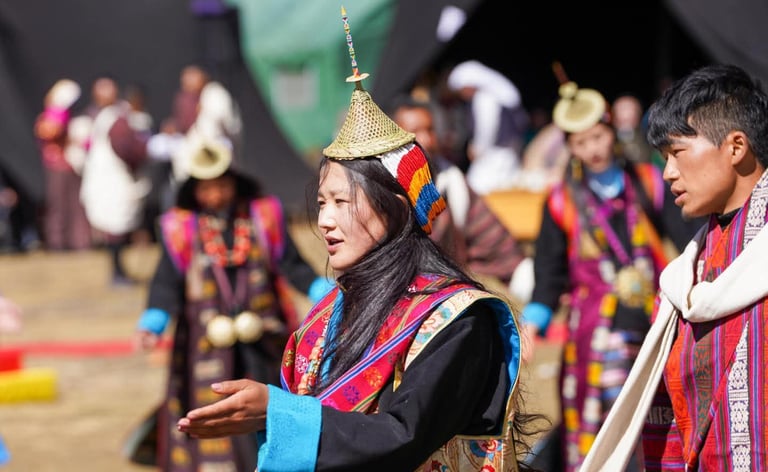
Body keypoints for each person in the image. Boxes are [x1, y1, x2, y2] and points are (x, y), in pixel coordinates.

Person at [175, 58, 540, 470]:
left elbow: (403, 436)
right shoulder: (331, 313)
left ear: (395, 209)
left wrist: (280, 413)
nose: (325, 220)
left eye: (341, 202)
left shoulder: (456, 320)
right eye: (321, 203)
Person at [581, 64, 768, 471]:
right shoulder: (686, 276)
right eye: (664, 158)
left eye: (677, 153)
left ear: (736, 147)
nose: (668, 172)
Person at [519, 80, 703, 471]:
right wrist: (533, 323)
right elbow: (548, 272)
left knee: (652, 414)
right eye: (581, 142)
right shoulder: (561, 200)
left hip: (650, 318)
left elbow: (687, 236)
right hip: (593, 332)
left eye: (598, 137)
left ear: (612, 133)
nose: (593, 149)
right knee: (602, 420)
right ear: (570, 147)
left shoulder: (649, 181)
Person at [134, 137, 320, 471]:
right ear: (194, 190)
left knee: (267, 408)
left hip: (264, 339)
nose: (215, 195)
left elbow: (293, 265)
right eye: (206, 188)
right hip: (203, 346)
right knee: (213, 410)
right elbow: (166, 282)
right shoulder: (181, 228)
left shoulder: (263, 217)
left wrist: (324, 291)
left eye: (221, 185)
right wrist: (154, 321)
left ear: (235, 182)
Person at [390, 96, 534, 303]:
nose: (427, 140)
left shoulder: (453, 183)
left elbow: (492, 241)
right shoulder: (382, 190)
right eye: (414, 132)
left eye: (430, 130)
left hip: (447, 295)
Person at [78, 76, 151, 285]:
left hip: (114, 178)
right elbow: (124, 148)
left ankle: (119, 271)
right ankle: (117, 272)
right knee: (113, 226)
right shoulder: (105, 118)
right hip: (108, 180)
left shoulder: (119, 116)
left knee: (118, 225)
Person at [446, 60, 530, 195]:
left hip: (494, 158)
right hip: (506, 155)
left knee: (477, 189)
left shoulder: (484, 98)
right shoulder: (494, 96)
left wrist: (477, 149)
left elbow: (487, 129)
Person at [33, 78, 92, 252]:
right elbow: (47, 131)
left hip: (73, 164)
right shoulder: (51, 115)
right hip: (56, 165)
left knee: (76, 205)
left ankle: (79, 242)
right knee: (58, 205)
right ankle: (57, 242)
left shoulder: (74, 116)